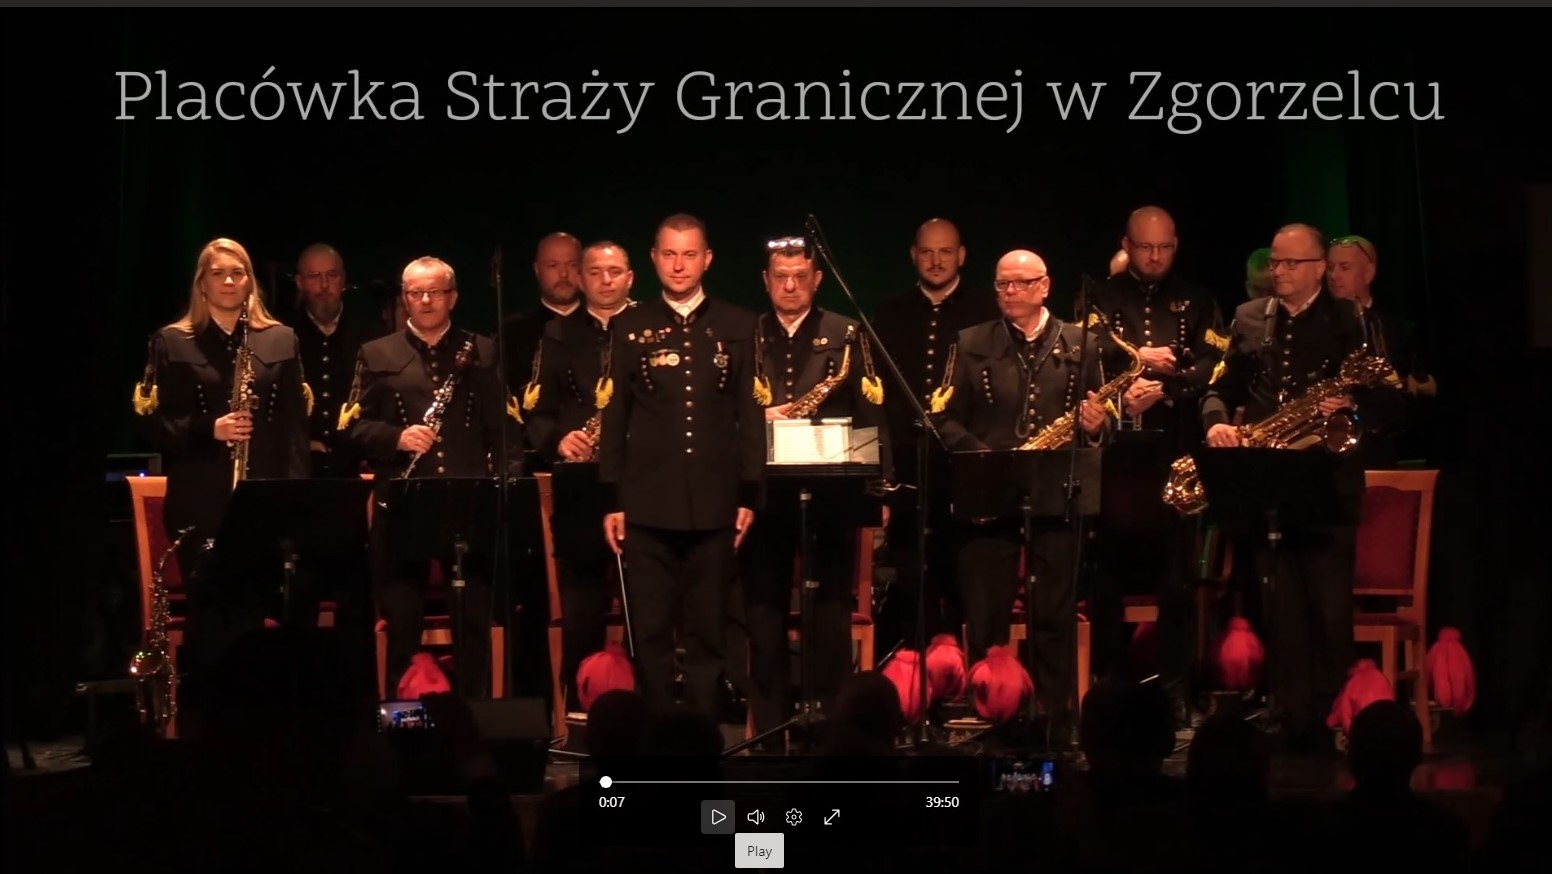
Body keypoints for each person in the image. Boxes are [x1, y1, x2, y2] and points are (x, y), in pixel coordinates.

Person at [1199, 223, 1407, 750]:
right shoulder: (1251, 317)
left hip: (1328, 481)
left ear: (1319, 268)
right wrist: (1217, 422)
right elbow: (1221, 387)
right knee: (1279, 604)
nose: (1280, 272)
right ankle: (1288, 715)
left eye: (1292, 263)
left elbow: (1391, 401)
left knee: (1328, 607)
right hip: (1268, 477)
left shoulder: (1351, 320)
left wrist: (1352, 405)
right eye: (1276, 263)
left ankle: (1332, 715)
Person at [933, 249, 1109, 744]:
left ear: (1044, 286)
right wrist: (981, 455)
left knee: (1054, 613)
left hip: (1059, 494)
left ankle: (1056, 721)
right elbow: (943, 416)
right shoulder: (970, 341)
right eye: (1002, 284)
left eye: (1020, 283)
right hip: (988, 493)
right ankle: (992, 717)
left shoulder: (1082, 342)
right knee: (985, 613)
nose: (1009, 292)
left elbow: (1102, 421)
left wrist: (1098, 426)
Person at [597, 213, 766, 718]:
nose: (678, 265)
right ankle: (656, 732)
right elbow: (614, 417)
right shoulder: (629, 326)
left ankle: (700, 732)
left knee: (708, 629)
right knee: (649, 629)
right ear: (653, 259)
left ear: (707, 259)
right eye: (669, 254)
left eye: (689, 254)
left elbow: (750, 417)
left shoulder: (739, 325)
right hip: (646, 503)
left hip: (715, 504)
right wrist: (612, 500)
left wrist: (749, 494)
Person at [131, 237, 311, 697]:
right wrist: (207, 428)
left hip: (263, 500)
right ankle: (208, 713)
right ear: (202, 284)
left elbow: (294, 429)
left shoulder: (280, 338)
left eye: (238, 272)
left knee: (255, 612)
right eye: (218, 273)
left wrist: (294, 498)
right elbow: (152, 423)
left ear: (250, 282)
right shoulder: (171, 341)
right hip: (201, 500)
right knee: (211, 614)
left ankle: (252, 713)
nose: (229, 281)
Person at [340, 256, 525, 698]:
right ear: (405, 299)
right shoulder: (376, 353)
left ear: (452, 297)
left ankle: (474, 717)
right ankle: (403, 719)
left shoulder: (482, 351)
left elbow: (505, 432)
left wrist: (507, 488)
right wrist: (397, 437)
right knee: (403, 623)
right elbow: (352, 428)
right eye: (416, 293)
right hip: (403, 505)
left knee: (473, 621)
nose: (425, 300)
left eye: (435, 292)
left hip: (468, 504)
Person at [733, 234, 892, 748]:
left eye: (800, 276)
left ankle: (830, 728)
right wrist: (757, 418)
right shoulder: (744, 333)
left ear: (817, 279)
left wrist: (879, 490)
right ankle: (769, 732)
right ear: (765, 280)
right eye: (780, 277)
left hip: (832, 495)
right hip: (762, 495)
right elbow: (723, 413)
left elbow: (871, 413)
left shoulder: (847, 333)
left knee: (830, 612)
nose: (790, 286)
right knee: (764, 610)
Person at [1089, 205, 1226, 725]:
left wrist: (1168, 388)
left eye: (1164, 247)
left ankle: (1176, 691)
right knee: (1106, 575)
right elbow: (1085, 357)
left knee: (1177, 576)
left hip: (1176, 449)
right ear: (1126, 245)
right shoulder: (1099, 297)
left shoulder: (1199, 298)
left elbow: (1215, 364)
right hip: (1118, 457)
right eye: (1145, 247)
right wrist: (1131, 377)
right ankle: (1110, 685)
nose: (1154, 257)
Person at [869, 218, 1000, 656]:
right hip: (906, 464)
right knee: (910, 572)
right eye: (927, 252)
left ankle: (965, 668)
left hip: (964, 463)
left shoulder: (986, 309)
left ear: (961, 256)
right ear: (913, 255)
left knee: (965, 571)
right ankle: (913, 665)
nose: (936, 261)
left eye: (945, 252)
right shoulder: (889, 312)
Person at [522, 240, 636, 717]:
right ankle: (580, 716)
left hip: (643, 483)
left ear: (630, 277)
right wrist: (558, 440)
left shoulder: (653, 327)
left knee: (646, 606)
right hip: (582, 488)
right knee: (582, 608)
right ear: (582, 279)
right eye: (595, 272)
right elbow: (536, 412)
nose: (605, 280)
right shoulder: (557, 333)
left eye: (614, 271)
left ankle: (647, 711)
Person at [1325, 234, 1435, 467]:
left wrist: (1357, 407)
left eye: (1344, 267)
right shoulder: (1317, 326)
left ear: (1368, 273)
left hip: (1377, 454)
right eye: (1330, 268)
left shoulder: (1398, 332)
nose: (1334, 276)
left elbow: (1415, 401)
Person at [288, 243, 388, 478]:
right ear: (300, 282)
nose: (324, 285)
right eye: (314, 276)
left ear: (343, 279)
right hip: (297, 469)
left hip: (356, 469)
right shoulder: (283, 334)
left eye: (332, 275)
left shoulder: (371, 335)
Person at [504, 232, 584, 461]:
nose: (564, 274)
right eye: (553, 265)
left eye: (572, 264)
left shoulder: (604, 327)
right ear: (537, 270)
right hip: (531, 458)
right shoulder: (511, 332)